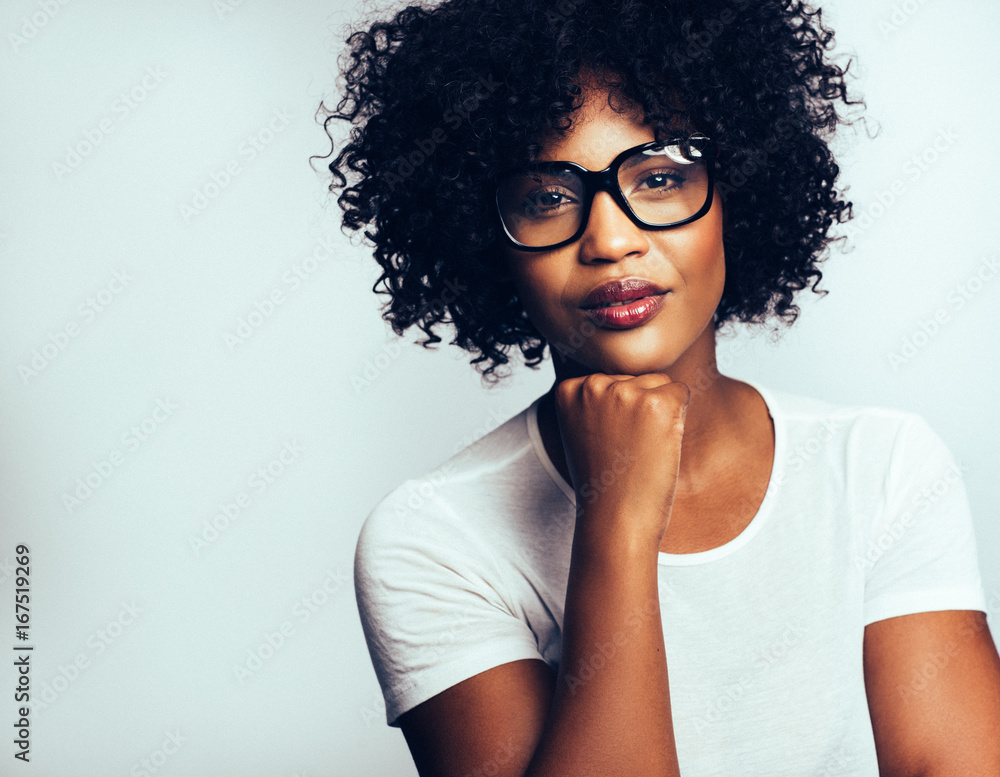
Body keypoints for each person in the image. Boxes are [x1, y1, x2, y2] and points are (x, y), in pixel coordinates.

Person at [317, 0, 1000, 774]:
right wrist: (617, 518)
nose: (610, 239)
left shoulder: (881, 467)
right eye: (547, 196)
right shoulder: (434, 540)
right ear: (486, 239)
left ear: (737, 193)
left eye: (661, 177)